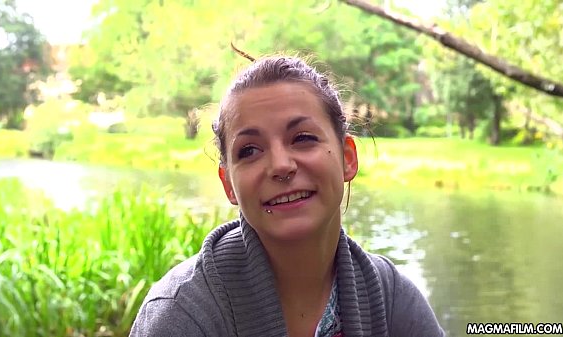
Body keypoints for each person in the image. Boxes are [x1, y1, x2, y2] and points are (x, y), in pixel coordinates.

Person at [129, 55, 445, 337]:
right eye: (249, 150)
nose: (281, 165)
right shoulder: (182, 314)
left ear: (348, 158)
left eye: (303, 138)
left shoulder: (390, 299)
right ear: (228, 185)